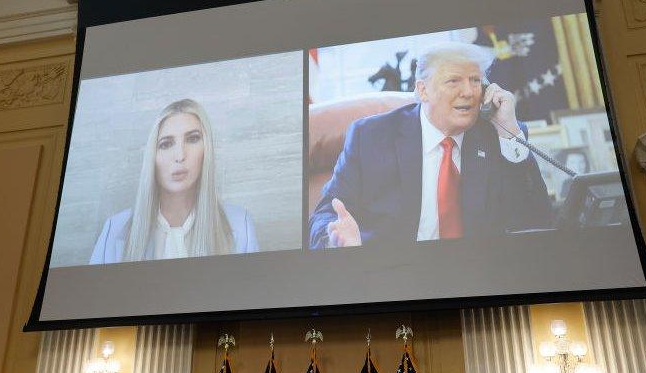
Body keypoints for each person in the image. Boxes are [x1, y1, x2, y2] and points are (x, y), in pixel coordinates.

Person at [308, 42, 552, 249]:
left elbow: (537, 221)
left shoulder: (496, 133)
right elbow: (325, 214)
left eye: (475, 80)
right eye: (454, 81)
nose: (468, 92)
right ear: (423, 90)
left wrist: (509, 134)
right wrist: (336, 241)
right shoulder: (371, 137)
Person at [90, 98, 258, 263]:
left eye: (192, 139)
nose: (179, 156)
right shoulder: (115, 229)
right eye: (166, 144)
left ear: (207, 150)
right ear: (152, 158)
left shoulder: (240, 224)